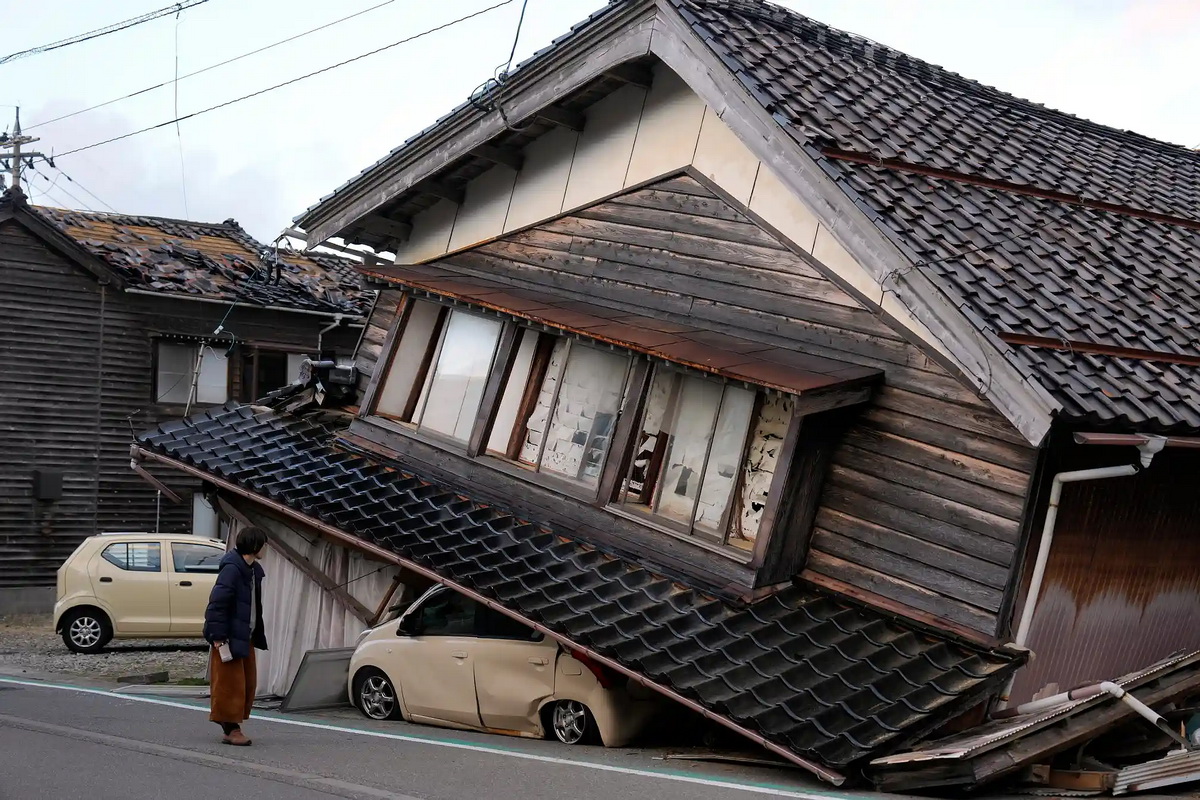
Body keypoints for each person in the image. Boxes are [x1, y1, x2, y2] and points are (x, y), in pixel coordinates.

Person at [203, 526, 269, 746]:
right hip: (229, 636)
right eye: (263, 545)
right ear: (255, 545)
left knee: (246, 683)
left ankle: (232, 726)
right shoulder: (232, 569)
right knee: (229, 684)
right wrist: (218, 636)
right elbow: (217, 604)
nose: (265, 549)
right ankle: (232, 729)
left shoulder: (251, 570)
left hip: (245, 633)